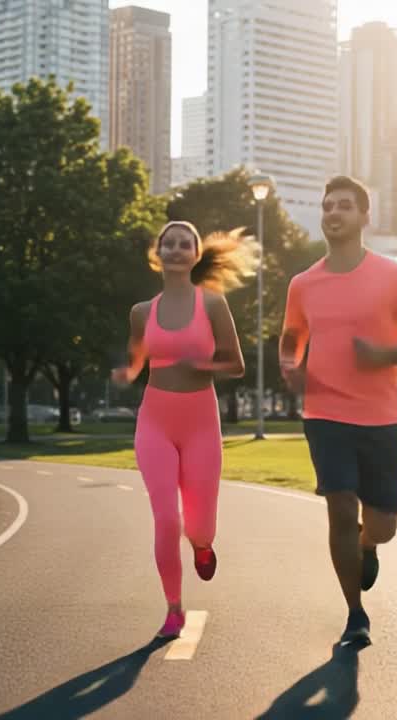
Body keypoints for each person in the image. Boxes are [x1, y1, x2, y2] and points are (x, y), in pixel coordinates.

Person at [279, 176, 397, 646]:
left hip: (382, 419)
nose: (334, 213)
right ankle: (355, 614)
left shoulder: (392, 275)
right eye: (328, 206)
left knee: (382, 526)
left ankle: (368, 547)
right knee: (341, 508)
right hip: (325, 415)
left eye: (345, 206)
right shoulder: (303, 283)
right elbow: (291, 336)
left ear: (365, 217)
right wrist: (290, 363)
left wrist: (384, 355)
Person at [112, 220, 254, 639]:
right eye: (168, 243)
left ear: (195, 255)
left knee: (199, 526)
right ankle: (173, 609)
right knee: (164, 518)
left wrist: (204, 366)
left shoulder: (212, 305)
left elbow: (238, 365)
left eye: (184, 244)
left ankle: (203, 545)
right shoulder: (141, 313)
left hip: (200, 423)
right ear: (157, 253)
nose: (175, 249)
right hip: (154, 420)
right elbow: (140, 356)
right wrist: (129, 371)